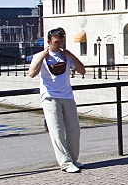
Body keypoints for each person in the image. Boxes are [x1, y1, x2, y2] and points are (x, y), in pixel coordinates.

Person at [27, 27, 86, 173]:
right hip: (50, 97)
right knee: (57, 131)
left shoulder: (66, 56)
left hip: (67, 96)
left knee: (74, 130)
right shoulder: (40, 56)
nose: (59, 45)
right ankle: (65, 163)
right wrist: (43, 56)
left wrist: (70, 54)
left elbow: (82, 70)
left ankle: (73, 159)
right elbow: (32, 74)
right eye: (56, 42)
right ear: (49, 42)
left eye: (62, 42)